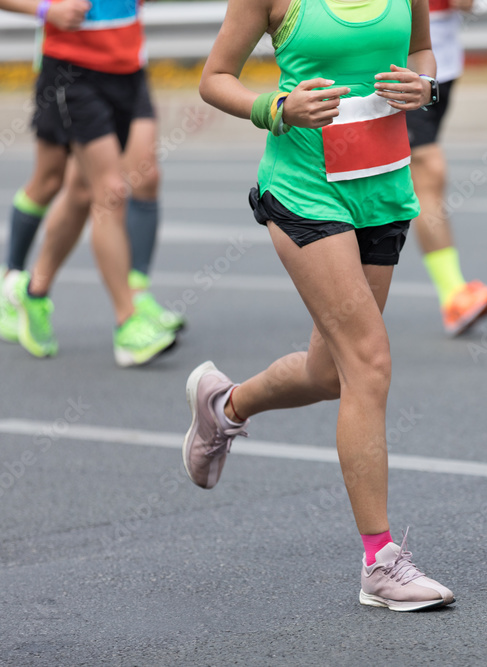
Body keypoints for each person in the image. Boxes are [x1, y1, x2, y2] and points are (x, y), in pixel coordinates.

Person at [183, 0, 454, 611]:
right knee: (369, 361)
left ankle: (225, 405)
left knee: (329, 373)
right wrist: (276, 108)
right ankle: (380, 563)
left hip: (384, 187)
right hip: (306, 192)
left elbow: (421, 53)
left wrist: (424, 86)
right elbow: (214, 79)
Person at [0, 0, 178, 366]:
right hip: (75, 73)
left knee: (91, 186)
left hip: (129, 67)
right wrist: (45, 10)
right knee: (101, 189)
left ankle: (37, 292)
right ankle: (127, 324)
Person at [408, 0, 487, 336]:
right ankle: (453, 295)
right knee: (428, 170)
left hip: (441, 66)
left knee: (412, 178)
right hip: (403, 66)